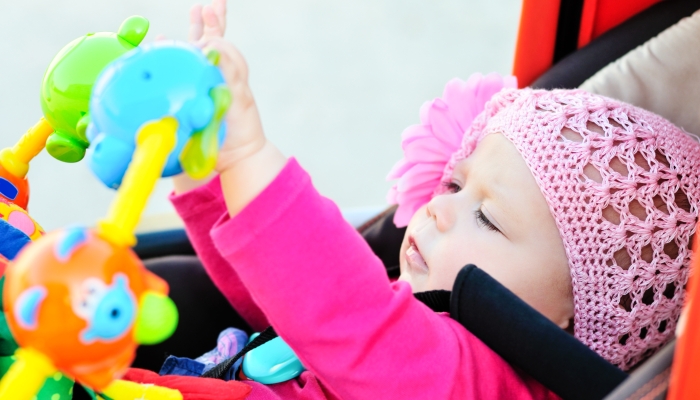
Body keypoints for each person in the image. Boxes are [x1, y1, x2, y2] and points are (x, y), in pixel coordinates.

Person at [169, 1, 700, 398]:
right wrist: (203, 163)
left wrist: (246, 155)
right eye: (454, 184)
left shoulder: (472, 383)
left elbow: (340, 309)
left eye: (488, 219)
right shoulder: (424, 306)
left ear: (565, 323)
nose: (439, 209)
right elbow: (278, 297)